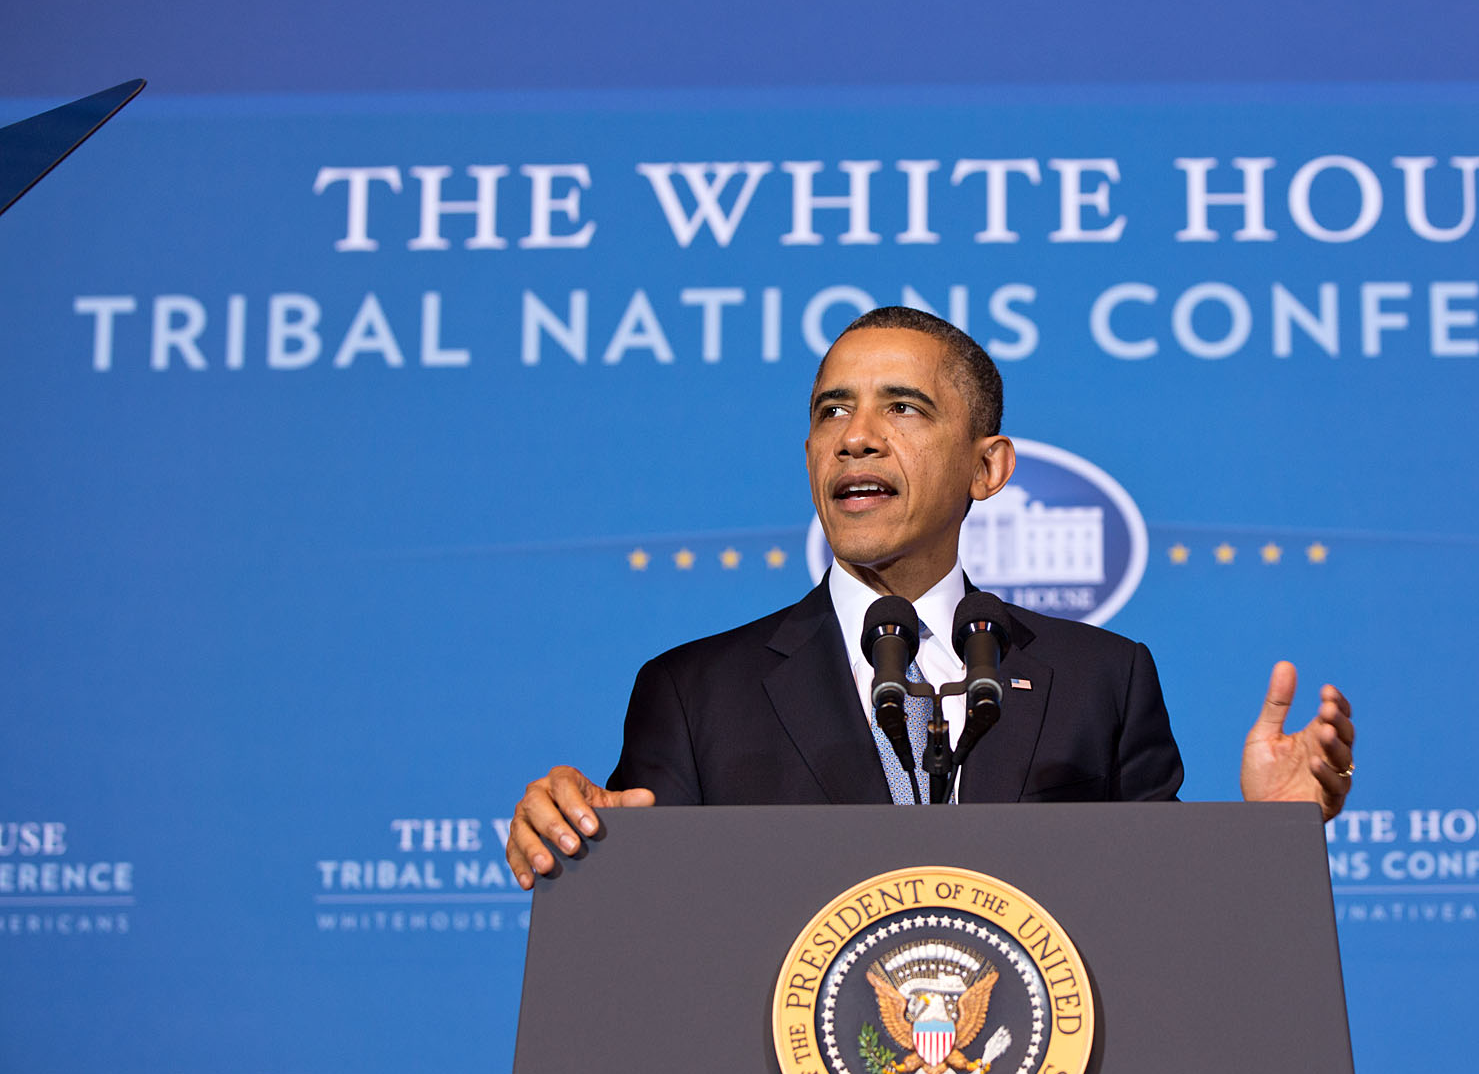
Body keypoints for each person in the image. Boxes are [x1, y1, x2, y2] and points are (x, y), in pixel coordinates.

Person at [505, 307, 1354, 889]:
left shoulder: (1102, 678)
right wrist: (579, 838)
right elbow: (646, 915)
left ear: (988, 468)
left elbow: (1162, 928)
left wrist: (1268, 843)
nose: (857, 437)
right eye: (831, 411)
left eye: (903, 408)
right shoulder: (693, 692)